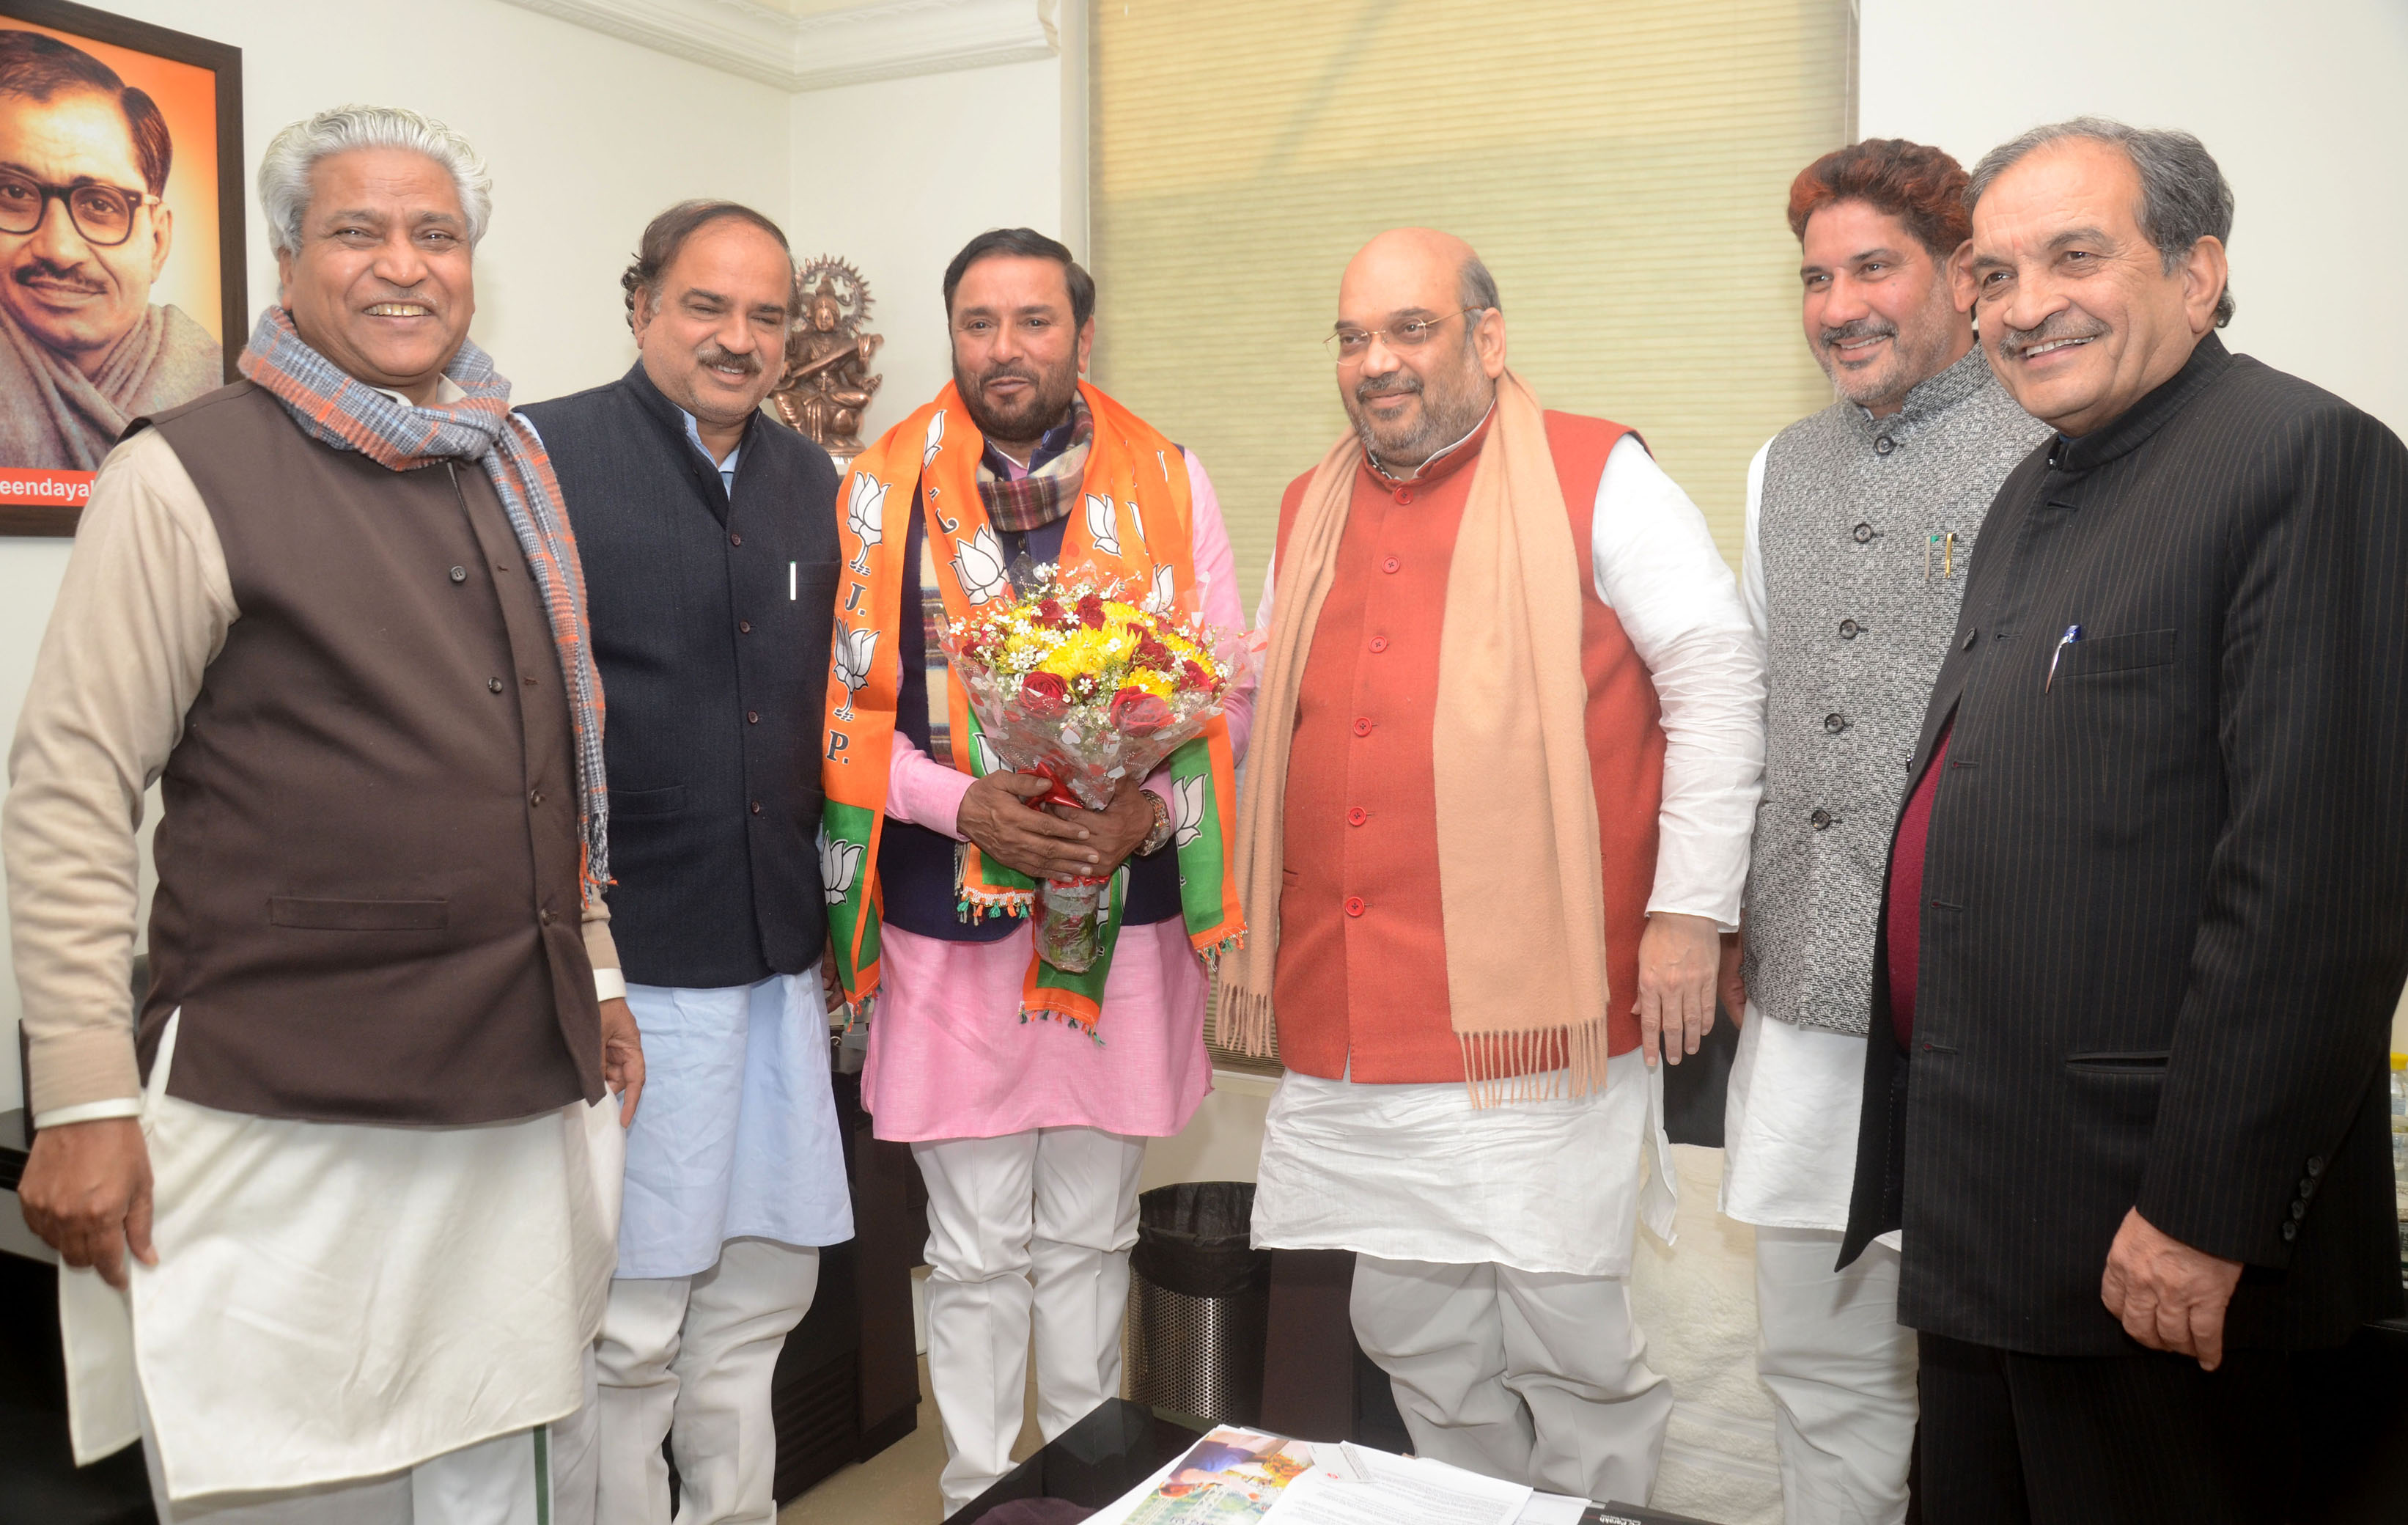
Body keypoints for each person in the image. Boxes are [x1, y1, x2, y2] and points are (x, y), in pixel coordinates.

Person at [4, 105, 643, 1521]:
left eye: (437, 234)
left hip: (506, 1099)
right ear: (289, 261)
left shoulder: (506, 467)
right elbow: (69, 788)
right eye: (358, 231)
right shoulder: (179, 474)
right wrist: (86, 1097)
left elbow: (548, 764)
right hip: (282, 1108)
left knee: (491, 1462)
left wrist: (590, 970)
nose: (402, 265)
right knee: (291, 1476)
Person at [1841, 118, 2408, 1522]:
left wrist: (2205, 1213)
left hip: (2158, 1244)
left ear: (2199, 270)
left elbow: (2315, 889)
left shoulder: (2305, 459)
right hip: (1998, 1211)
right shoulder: (2035, 487)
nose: (2024, 306)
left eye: (2074, 256)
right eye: (1994, 271)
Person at [1231, 228, 1764, 1505]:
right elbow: (1268, 716)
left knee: (1568, 1337)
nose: (1377, 363)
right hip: (1355, 1003)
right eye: (1354, 337)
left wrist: (1691, 908)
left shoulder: (1599, 474)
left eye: (1410, 329)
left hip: (1536, 1011)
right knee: (1409, 1325)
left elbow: (1719, 676)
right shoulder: (1312, 506)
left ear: (1486, 336)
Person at [819, 227, 1252, 1515]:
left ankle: (1086, 1486)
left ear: (1083, 330)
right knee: (971, 1247)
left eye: (1034, 322)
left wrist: (1142, 815)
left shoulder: (1170, 477)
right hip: (951, 930)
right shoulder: (879, 487)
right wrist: (968, 807)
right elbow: (843, 720)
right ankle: (974, 1496)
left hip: (1120, 925)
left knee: (1089, 1237)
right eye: (978, 323)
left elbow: (1221, 690)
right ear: (952, 333)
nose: (1006, 350)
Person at [1721, 140, 2047, 1524]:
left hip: (1985, 1005)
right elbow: (1748, 699)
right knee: (1817, 1362)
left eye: (1873, 267)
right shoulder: (1777, 468)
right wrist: (1725, 913)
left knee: (1999, 1385)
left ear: (1967, 281)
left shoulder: (2053, 447)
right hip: (1807, 1001)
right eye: (1815, 276)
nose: (1839, 303)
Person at [523, 201, 851, 1525]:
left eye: (765, 314)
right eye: (706, 306)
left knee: (763, 1298)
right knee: (635, 1324)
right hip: (636, 970)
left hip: (779, 961)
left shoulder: (812, 482)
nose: (738, 337)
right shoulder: (539, 458)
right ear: (642, 305)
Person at [0, 29, 218, 470]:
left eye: (101, 204)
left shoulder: (218, 393)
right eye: (14, 193)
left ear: (157, 242)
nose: (59, 249)